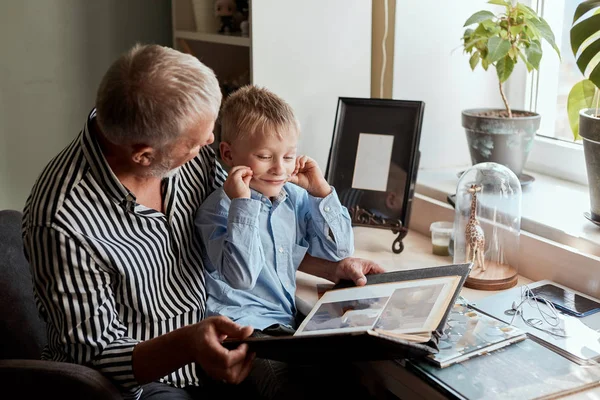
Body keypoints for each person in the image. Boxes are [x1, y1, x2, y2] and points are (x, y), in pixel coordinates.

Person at [21, 43, 384, 400]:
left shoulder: (183, 149)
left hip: (224, 342)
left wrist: (329, 267)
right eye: (197, 144)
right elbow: (95, 356)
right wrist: (190, 345)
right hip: (144, 383)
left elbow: (244, 233)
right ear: (145, 156)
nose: (211, 144)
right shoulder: (62, 220)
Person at [195, 85, 355, 334]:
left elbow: (339, 251)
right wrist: (243, 205)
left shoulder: (295, 197)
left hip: (283, 322)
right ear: (228, 154)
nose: (279, 169)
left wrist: (320, 193)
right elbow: (242, 278)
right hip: (240, 329)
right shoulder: (217, 210)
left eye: (288, 156)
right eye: (265, 156)